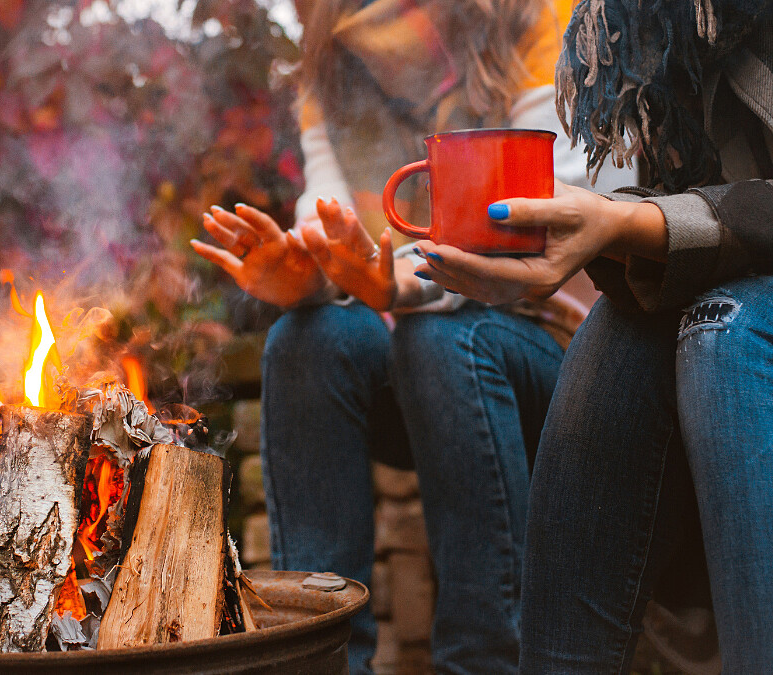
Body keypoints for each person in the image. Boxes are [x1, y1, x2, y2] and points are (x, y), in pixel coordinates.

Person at [192, 0, 632, 672]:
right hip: (425, 363)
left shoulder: (542, 20)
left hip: (564, 359)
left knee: (441, 338)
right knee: (306, 337)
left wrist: (401, 286)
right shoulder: (331, 58)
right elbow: (335, 231)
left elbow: (560, 220)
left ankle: (488, 660)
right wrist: (306, 278)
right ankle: (318, 657)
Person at [408, 0, 773, 670]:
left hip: (724, 304)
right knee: (619, 333)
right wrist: (394, 281)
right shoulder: (646, 23)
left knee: (725, 329)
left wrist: (623, 225)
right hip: (710, 267)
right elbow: (678, 196)